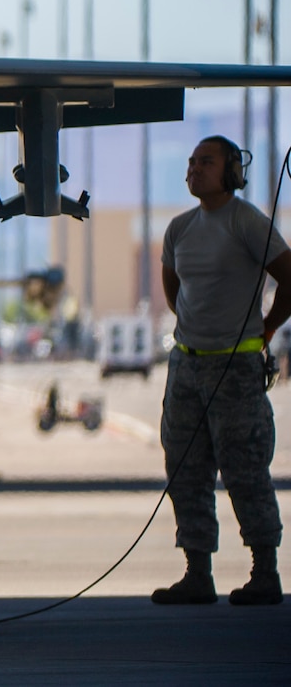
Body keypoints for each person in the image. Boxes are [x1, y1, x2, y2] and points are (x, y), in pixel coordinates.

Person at [150, 135, 291, 606]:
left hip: (235, 371)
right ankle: (197, 572)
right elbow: (173, 290)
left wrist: (267, 329)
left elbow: (289, 275)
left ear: (231, 170)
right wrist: (194, 328)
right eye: (191, 162)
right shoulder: (179, 228)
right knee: (185, 469)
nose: (194, 170)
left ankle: (265, 572)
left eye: (205, 162)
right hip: (187, 368)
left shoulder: (246, 221)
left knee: (246, 469)